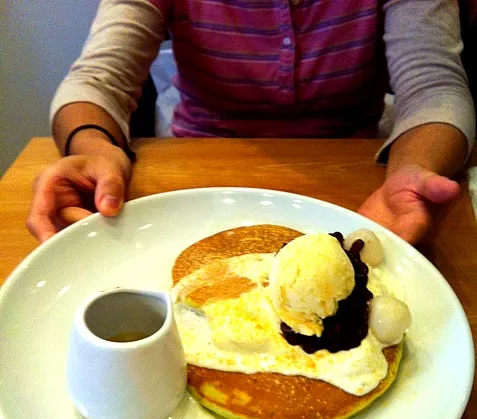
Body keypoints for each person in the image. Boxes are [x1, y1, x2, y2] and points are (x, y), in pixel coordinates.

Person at [27, 0, 475, 244]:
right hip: (196, 185)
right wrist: (94, 150)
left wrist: (413, 167)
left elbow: (434, 87)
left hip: (359, 189)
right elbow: (97, 78)